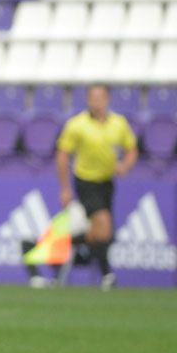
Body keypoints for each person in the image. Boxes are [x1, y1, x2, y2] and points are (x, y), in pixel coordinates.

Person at [55, 84, 137, 290]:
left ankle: (69, 243)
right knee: (103, 222)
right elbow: (63, 154)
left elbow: (132, 148)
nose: (96, 101)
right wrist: (65, 188)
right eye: (92, 97)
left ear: (107, 99)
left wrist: (126, 165)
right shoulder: (77, 124)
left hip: (106, 183)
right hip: (85, 181)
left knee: (102, 234)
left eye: (100, 97)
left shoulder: (118, 123)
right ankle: (108, 275)